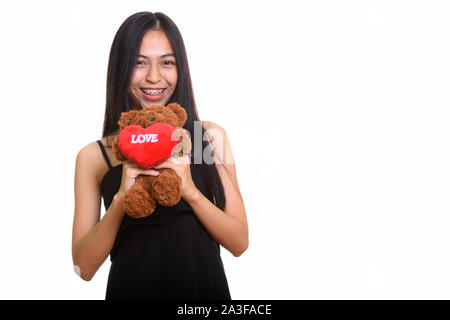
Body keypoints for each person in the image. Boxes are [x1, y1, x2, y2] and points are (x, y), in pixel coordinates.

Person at [71, 11, 248, 300]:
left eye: (167, 63)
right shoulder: (95, 156)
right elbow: (83, 268)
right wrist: (119, 201)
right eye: (139, 63)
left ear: (181, 69)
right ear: (120, 68)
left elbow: (240, 242)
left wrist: (189, 190)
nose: (154, 77)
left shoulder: (209, 138)